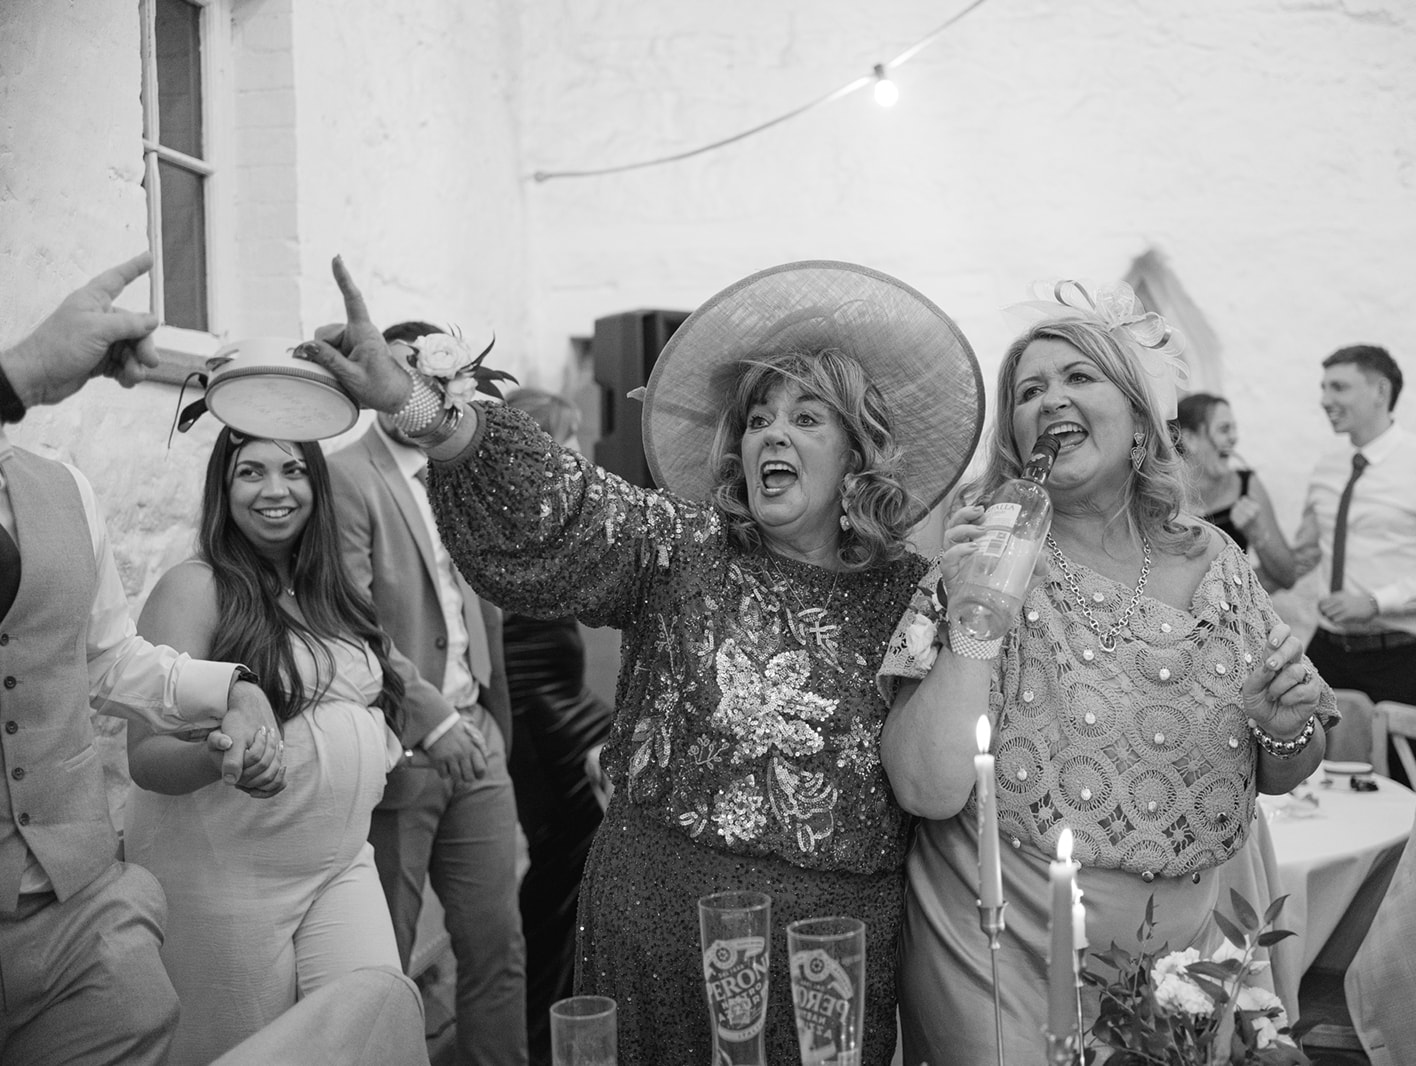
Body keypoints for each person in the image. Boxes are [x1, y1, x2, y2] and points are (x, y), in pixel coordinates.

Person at [300, 256, 985, 1066]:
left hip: (825, 950)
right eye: (757, 418)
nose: (772, 433)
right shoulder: (678, 547)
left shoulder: (911, 593)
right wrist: (414, 402)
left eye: (807, 418)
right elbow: (557, 504)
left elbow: (939, 771)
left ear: (857, 455)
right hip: (658, 929)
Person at [877, 282, 1337, 1063]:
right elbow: (925, 788)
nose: (1049, 399)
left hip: (1182, 967)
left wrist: (1284, 731)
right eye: (1028, 391)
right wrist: (975, 612)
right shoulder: (976, 558)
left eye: (1078, 376)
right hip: (999, 955)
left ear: (1138, 422)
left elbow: (1286, 762)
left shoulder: (1217, 561)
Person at [0, 252, 283, 1066]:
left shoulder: (64, 489)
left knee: (140, 1011)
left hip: (74, 899)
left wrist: (234, 688)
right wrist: (24, 375)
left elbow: (107, 658)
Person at [122, 431, 429, 1066]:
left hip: (342, 864)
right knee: (248, 1055)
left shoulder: (334, 593)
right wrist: (216, 758)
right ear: (223, 487)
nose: (275, 490)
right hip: (228, 878)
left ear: (317, 483)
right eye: (250, 472)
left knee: (378, 1031)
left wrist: (373, 745)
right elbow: (145, 757)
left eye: (293, 470)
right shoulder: (194, 587)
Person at [328, 321, 526, 1066]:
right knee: (385, 963)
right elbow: (351, 622)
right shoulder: (346, 476)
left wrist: (484, 720)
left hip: (480, 735)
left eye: (425, 378)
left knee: (498, 948)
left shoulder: (464, 469)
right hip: (401, 748)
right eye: (397, 373)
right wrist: (432, 720)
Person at [1296, 344, 1416, 784]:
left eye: (1339, 387)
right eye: (1324, 387)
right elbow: (1304, 553)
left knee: (1406, 788)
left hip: (1404, 660)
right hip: (1328, 653)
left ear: (1380, 391)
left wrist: (1377, 602)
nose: (1325, 399)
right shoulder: (1326, 468)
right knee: (1316, 784)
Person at [498, 387, 616, 1065]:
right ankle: (545, 1031)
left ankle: (564, 1018)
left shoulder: (547, 518)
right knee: (565, 862)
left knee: (577, 863)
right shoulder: (501, 524)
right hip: (537, 712)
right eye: (563, 445)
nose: (576, 460)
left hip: (565, 703)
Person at [1175, 392, 1296, 589]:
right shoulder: (1163, 498)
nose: (1234, 438)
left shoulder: (1246, 486)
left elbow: (1287, 577)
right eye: (1224, 429)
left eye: (1233, 429)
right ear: (1190, 439)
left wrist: (1256, 533)